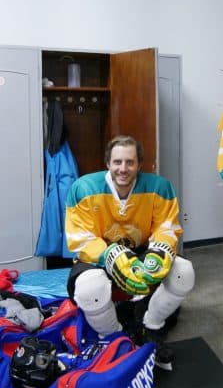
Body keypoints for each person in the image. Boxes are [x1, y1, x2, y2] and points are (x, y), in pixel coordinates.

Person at [65, 135, 195, 369]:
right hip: (98, 257)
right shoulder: (83, 188)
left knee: (183, 272)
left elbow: (167, 227)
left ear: (139, 164)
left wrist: (160, 251)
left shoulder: (160, 188)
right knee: (89, 288)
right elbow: (79, 237)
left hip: (142, 252)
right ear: (108, 163)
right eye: (117, 162)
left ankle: (151, 326)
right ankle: (116, 338)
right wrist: (109, 255)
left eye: (129, 162)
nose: (123, 169)